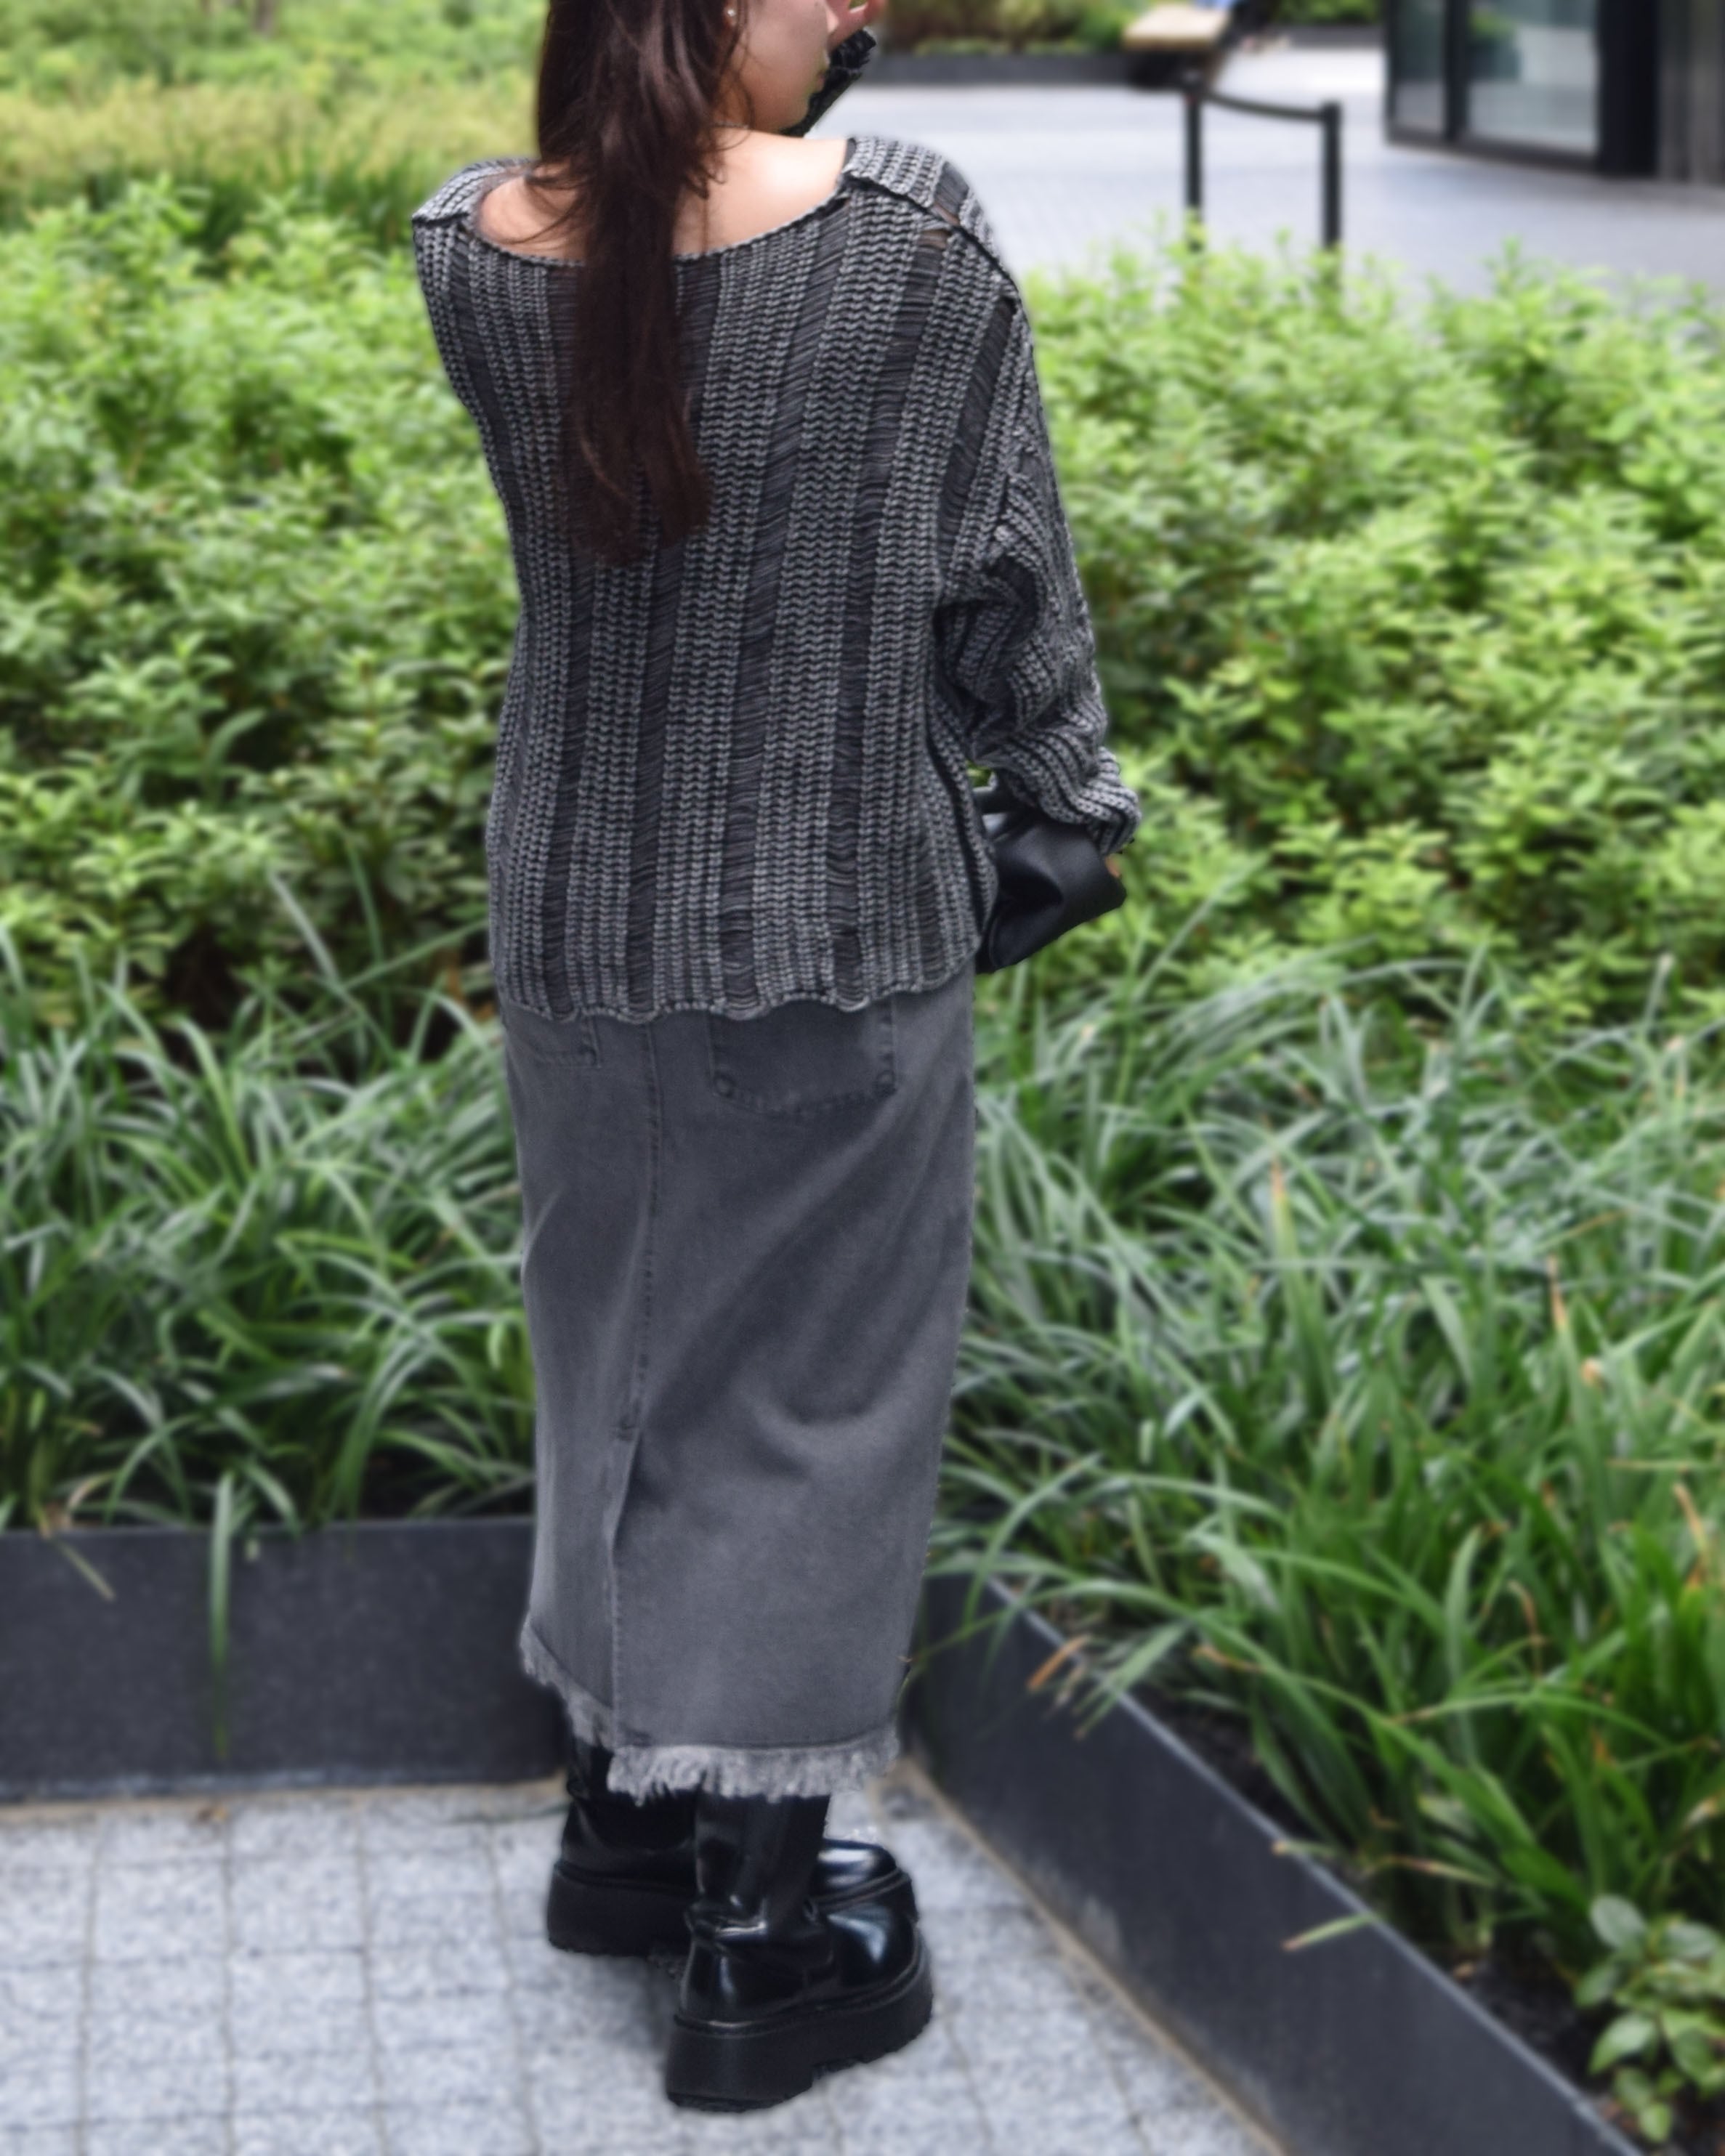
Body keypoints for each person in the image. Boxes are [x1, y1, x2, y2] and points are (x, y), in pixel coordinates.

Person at [410, 0, 1140, 2113]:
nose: (866, 16)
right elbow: (1003, 579)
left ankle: (624, 1834)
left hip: (574, 916)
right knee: (814, 1407)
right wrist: (1071, 806)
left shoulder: (471, 244)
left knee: (614, 1352)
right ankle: (761, 1929)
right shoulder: (907, 236)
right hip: (836, 920)